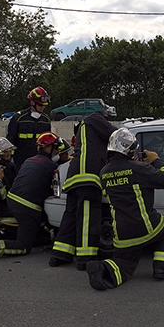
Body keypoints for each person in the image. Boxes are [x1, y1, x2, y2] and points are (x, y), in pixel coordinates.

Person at [85, 128, 164, 291]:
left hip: (122, 234)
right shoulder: (140, 169)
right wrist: (156, 160)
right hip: (146, 226)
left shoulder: (104, 172)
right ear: (130, 149)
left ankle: (103, 269)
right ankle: (161, 269)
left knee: (125, 264)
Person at [0, 132, 61, 259]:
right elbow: (57, 190)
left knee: (39, 227)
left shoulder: (29, 160)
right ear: (47, 148)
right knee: (24, 246)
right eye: (56, 148)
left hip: (12, 201)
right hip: (26, 207)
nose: (58, 151)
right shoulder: (51, 166)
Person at [49, 112, 117, 270]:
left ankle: (60, 254)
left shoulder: (85, 131)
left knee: (71, 216)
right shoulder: (95, 118)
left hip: (75, 175)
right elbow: (114, 133)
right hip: (88, 175)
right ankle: (85, 259)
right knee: (88, 217)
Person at [6, 86, 52, 169]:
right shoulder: (19, 118)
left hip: (39, 161)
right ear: (32, 103)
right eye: (40, 105)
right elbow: (10, 139)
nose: (43, 107)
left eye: (44, 105)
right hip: (20, 160)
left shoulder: (46, 120)